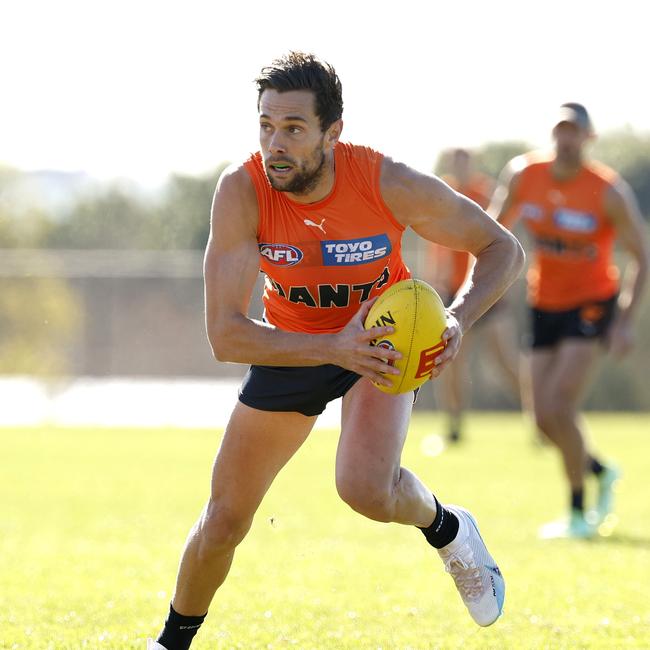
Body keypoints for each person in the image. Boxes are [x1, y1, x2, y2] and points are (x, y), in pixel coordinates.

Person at [147, 52, 524, 649]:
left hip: (380, 345)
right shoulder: (242, 190)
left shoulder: (386, 182)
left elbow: (502, 248)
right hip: (294, 346)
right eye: (266, 125)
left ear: (332, 132)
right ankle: (169, 644)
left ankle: (448, 528)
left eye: (294, 128)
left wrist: (456, 318)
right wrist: (330, 346)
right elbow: (225, 335)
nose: (276, 143)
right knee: (224, 519)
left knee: (365, 491)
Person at [491, 102, 649, 538]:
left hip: (592, 304)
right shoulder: (525, 174)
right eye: (559, 129)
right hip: (546, 304)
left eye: (574, 131)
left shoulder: (607, 191)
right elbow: (492, 229)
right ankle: (600, 469)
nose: (565, 138)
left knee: (560, 404)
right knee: (541, 419)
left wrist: (623, 322)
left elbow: (642, 256)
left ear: (587, 138)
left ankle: (579, 513)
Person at [425, 149, 523, 443]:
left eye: (464, 159)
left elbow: (505, 236)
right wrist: (436, 279)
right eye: (455, 160)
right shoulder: (443, 189)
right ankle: (454, 428)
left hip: (485, 290)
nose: (460, 165)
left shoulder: (487, 192)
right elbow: (435, 242)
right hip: (453, 292)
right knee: (450, 363)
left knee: (506, 361)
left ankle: (539, 420)